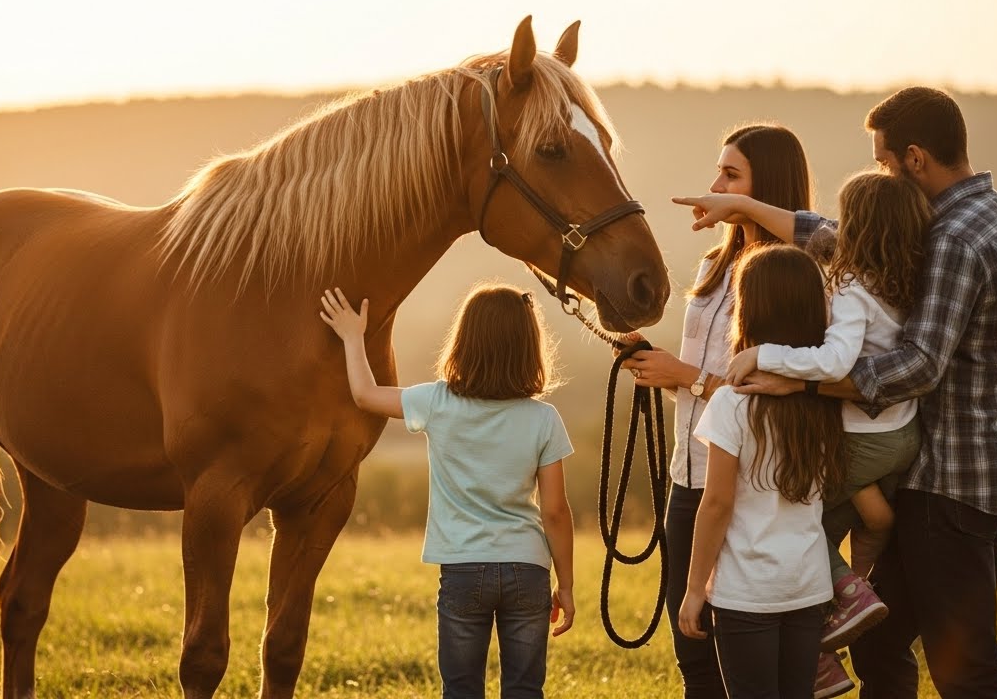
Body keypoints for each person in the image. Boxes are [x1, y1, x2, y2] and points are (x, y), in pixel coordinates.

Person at [687, 87, 997, 699]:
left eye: (883, 161)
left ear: (916, 159)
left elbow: (919, 365)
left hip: (954, 479)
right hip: (973, 469)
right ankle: (832, 615)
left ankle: (814, 613)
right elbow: (843, 239)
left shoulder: (952, 237)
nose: (881, 172)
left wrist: (801, 381)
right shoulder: (986, 214)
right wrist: (745, 205)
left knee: (964, 664)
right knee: (881, 636)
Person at [716, 171, 932, 695]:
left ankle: (842, 608)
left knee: (799, 522)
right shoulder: (905, 285)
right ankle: (845, 603)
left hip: (862, 436)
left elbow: (836, 361)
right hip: (903, 435)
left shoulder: (854, 290)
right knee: (860, 517)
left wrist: (763, 354)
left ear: (858, 230)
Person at [621, 123, 815, 698]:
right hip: (689, 479)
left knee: (736, 653)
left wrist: (685, 379)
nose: (716, 185)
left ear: (763, 187)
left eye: (731, 175)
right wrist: (655, 362)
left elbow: (779, 386)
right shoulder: (713, 265)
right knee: (693, 650)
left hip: (744, 488)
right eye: (719, 171)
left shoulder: (794, 280)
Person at [319, 283, 576, 699]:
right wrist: (565, 584)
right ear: (530, 346)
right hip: (527, 569)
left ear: (464, 340)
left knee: (459, 690)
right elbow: (556, 513)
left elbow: (364, 395)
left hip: (462, 569)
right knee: (526, 689)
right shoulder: (544, 419)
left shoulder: (437, 402)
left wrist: (353, 337)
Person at [678, 244, 846, 699]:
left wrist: (695, 590)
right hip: (808, 589)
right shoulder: (826, 402)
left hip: (744, 594)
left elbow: (716, 504)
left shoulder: (733, 404)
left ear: (747, 315)